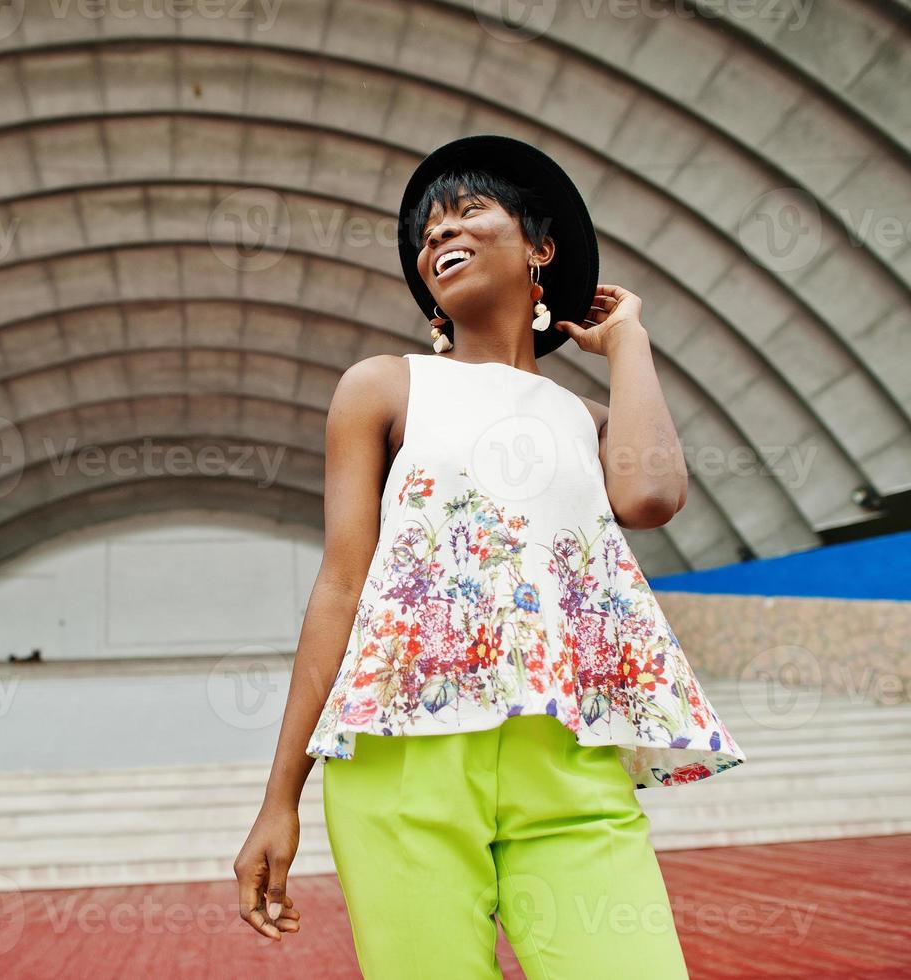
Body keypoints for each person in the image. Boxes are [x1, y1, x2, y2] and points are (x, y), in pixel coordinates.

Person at [233, 134, 747, 978]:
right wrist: (277, 800)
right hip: (402, 758)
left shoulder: (587, 417)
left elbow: (651, 499)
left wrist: (627, 344)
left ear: (539, 247)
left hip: (569, 759)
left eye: (467, 212)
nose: (439, 236)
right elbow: (340, 586)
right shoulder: (383, 386)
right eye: (426, 233)